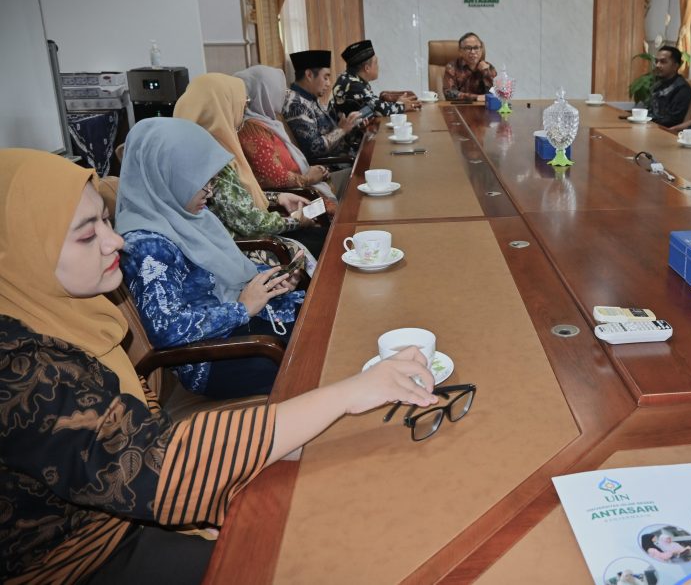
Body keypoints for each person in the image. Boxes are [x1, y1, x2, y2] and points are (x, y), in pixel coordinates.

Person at [0, 147, 437, 584]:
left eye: (105, 222)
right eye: (85, 235)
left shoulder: (62, 311)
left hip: (131, 508)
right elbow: (147, 466)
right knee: (307, 559)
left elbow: (128, 439)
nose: (115, 241)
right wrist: (349, 393)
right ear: (17, 251)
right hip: (82, 558)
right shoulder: (17, 370)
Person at [117, 118, 305, 398]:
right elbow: (167, 330)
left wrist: (270, 277)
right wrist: (242, 308)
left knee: (324, 317)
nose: (210, 191)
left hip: (242, 326)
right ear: (166, 174)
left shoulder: (191, 214)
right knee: (316, 352)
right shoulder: (147, 245)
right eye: (201, 182)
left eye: (212, 180)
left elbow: (223, 270)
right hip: (214, 357)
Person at [174, 73, 327, 260]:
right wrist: (295, 221)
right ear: (222, 108)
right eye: (240, 103)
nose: (243, 109)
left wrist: (277, 198)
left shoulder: (207, 145)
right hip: (246, 251)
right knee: (329, 245)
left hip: (253, 239)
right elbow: (249, 222)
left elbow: (236, 198)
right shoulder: (211, 159)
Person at [234, 64, 344, 205]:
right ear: (264, 92)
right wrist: (309, 178)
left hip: (309, 183)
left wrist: (313, 171)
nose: (283, 93)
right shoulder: (252, 129)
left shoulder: (270, 121)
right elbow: (275, 178)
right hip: (299, 198)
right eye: (278, 89)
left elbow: (290, 162)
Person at [282, 49, 362, 163]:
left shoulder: (310, 97)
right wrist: (342, 130)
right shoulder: (296, 104)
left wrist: (349, 124)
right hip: (332, 167)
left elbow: (328, 130)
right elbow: (313, 149)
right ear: (309, 75)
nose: (329, 83)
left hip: (343, 158)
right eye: (325, 77)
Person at [330, 39, 420, 120]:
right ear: (367, 68)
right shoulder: (353, 85)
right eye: (376, 63)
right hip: (351, 137)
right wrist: (402, 105)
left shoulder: (351, 78)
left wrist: (399, 103)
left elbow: (372, 103)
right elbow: (378, 110)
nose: (378, 67)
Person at [443, 32, 497, 101]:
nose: (473, 52)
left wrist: (485, 72)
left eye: (476, 47)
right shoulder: (452, 67)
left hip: (482, 108)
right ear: (460, 51)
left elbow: (496, 93)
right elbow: (449, 93)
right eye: (468, 48)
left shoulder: (489, 67)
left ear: (481, 50)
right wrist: (476, 98)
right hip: (459, 108)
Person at [647, 45, 691, 127]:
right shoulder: (658, 85)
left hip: (666, 133)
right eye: (656, 61)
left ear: (675, 66)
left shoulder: (682, 90)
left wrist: (647, 121)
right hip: (650, 127)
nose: (657, 65)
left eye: (663, 62)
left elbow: (673, 120)